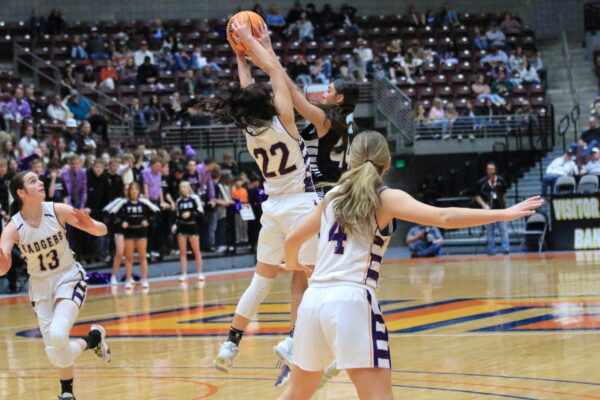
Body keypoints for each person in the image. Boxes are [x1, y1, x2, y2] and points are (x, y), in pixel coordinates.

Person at [278, 130, 543, 399]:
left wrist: (295, 265)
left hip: (313, 302)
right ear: (388, 163)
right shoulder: (385, 197)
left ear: (350, 161)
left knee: (296, 393)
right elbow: (444, 217)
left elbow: (291, 239)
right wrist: (502, 214)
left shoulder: (331, 197)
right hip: (351, 300)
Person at [213, 18, 318, 373]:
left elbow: (249, 92)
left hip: (272, 210)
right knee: (317, 279)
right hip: (302, 206)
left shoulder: (249, 129)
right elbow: (274, 70)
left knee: (260, 281)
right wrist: (253, 43)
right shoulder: (284, 121)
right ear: (270, 105)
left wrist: (240, 57)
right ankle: (294, 340)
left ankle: (230, 343)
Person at [254, 19, 360, 374]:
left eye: (328, 90)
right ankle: (300, 346)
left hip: (325, 201)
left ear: (339, 99)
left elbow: (294, 97)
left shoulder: (330, 120)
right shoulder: (336, 124)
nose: (322, 93)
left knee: (314, 279)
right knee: (304, 277)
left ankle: (307, 343)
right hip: (324, 203)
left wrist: (267, 52)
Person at [0, 171, 111, 400]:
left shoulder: (57, 210)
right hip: (39, 286)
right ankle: (91, 343)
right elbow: (2, 268)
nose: (40, 182)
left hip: (68, 277)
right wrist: (3, 260)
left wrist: (91, 225)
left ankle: (68, 392)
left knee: (59, 334)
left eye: (38, 179)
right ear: (21, 193)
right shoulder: (13, 227)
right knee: (55, 352)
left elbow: (102, 230)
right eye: (33, 181)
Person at [107, 183, 160, 289]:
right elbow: (111, 214)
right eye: (132, 189)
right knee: (129, 257)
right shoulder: (124, 204)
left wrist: (148, 221)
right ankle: (128, 279)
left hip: (141, 232)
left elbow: (157, 212)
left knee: (142, 256)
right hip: (129, 233)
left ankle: (144, 279)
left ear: (139, 191)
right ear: (129, 191)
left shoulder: (144, 203)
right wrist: (121, 222)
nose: (134, 191)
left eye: (136, 189)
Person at [172, 181, 205, 283]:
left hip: (192, 226)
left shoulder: (194, 198)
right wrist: (175, 225)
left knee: (196, 251)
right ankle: (184, 274)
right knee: (182, 252)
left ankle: (199, 273)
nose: (183, 188)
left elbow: (200, 212)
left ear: (189, 187)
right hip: (182, 227)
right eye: (181, 187)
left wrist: (190, 214)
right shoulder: (179, 201)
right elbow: (177, 216)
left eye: (185, 186)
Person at [475, 162, 510, 255]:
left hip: (500, 209)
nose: (491, 171)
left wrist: (503, 202)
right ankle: (491, 250)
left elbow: (505, 192)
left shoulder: (501, 180)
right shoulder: (482, 182)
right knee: (490, 231)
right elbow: (477, 196)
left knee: (503, 230)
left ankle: (506, 249)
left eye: (493, 169)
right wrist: (484, 205)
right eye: (489, 169)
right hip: (489, 210)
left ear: (495, 170)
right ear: (487, 170)